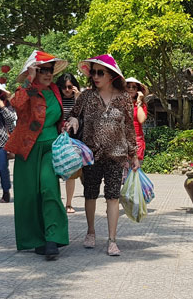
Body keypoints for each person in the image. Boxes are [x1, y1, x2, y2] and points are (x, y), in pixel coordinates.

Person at [66, 54, 139, 256]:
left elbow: (129, 127)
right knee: (90, 194)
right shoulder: (87, 97)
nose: (95, 76)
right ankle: (90, 232)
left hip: (117, 154)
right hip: (91, 154)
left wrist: (134, 155)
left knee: (113, 197)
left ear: (111, 75)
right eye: (93, 72)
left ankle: (112, 240)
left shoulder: (124, 98)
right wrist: (73, 121)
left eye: (100, 72)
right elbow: (73, 113)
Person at [5, 50, 69, 260]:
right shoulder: (28, 91)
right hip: (28, 148)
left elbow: (59, 116)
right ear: (34, 71)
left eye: (50, 70)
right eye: (43, 70)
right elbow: (17, 106)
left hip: (51, 147)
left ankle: (53, 237)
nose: (48, 74)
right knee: (29, 195)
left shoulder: (56, 91)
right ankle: (36, 240)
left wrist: (67, 124)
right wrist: (29, 81)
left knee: (49, 188)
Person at [55, 73, 81, 214]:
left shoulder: (79, 99)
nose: (67, 90)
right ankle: (56, 201)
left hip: (73, 140)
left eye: (70, 86)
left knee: (70, 173)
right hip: (57, 139)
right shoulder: (56, 100)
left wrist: (78, 98)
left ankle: (69, 203)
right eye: (63, 87)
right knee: (54, 173)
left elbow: (85, 116)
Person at [125, 77, 148, 161]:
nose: (131, 89)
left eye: (134, 87)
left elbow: (141, 120)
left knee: (135, 171)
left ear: (137, 90)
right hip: (121, 141)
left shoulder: (141, 105)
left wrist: (139, 102)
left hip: (136, 141)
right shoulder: (119, 103)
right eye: (128, 86)